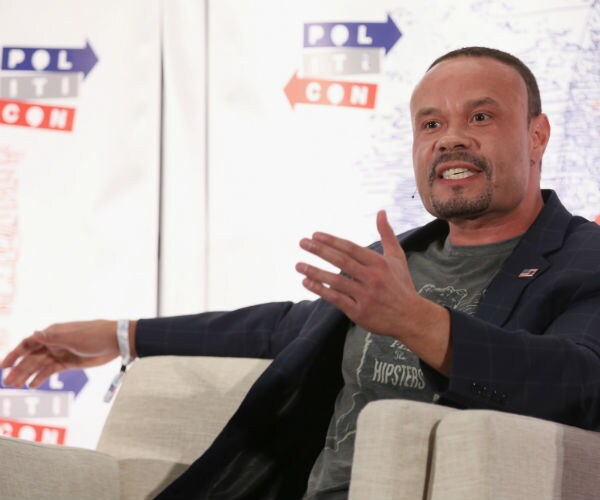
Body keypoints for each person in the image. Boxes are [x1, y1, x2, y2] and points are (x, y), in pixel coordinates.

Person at [2, 46, 600, 499]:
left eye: (481, 117)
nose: (451, 140)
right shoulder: (401, 257)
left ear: (537, 135)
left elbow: (578, 382)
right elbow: (279, 328)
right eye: (430, 124)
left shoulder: (582, 260)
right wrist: (117, 334)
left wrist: (420, 323)